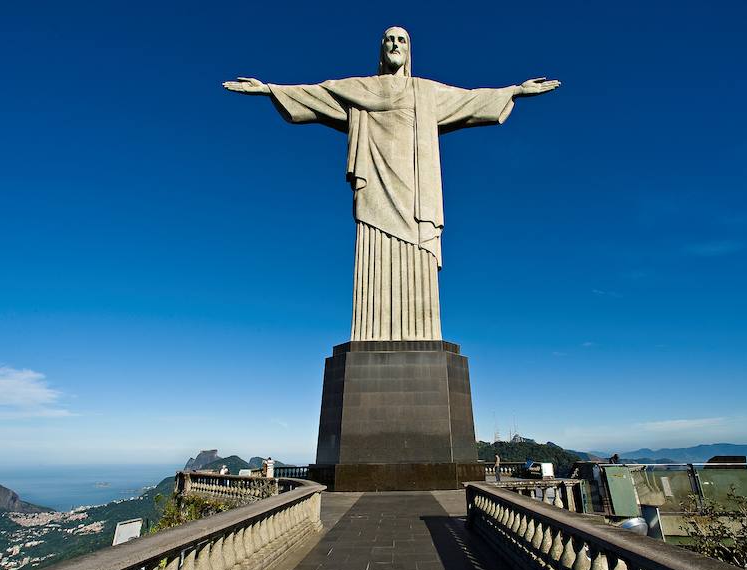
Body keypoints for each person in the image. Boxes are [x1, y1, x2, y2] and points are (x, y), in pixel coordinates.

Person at [223, 27, 560, 341]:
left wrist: (514, 90)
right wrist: (269, 89)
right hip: (375, 192)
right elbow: (317, 94)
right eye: (389, 40)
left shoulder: (426, 92)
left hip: (416, 195)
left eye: (402, 40)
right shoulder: (358, 90)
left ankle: (420, 333)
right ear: (381, 50)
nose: (395, 45)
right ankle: (372, 333)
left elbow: (470, 100)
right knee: (373, 250)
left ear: (409, 51)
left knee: (418, 258)